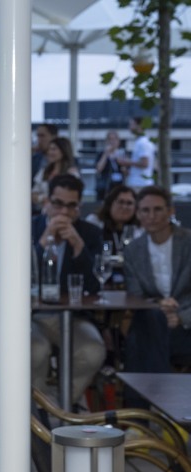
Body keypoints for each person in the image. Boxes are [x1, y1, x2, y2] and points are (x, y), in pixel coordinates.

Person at [30, 174, 105, 406]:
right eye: (58, 204)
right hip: (32, 315)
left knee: (93, 351)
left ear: (79, 207)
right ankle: (35, 410)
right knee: (35, 350)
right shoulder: (28, 227)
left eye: (71, 206)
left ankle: (57, 407)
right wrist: (44, 241)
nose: (64, 212)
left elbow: (94, 287)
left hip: (73, 316)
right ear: (47, 202)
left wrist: (78, 246)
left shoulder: (90, 233)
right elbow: (20, 275)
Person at [123, 186, 191, 374]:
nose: (151, 216)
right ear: (137, 214)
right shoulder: (133, 251)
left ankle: (144, 393)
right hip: (155, 319)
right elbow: (136, 295)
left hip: (187, 322)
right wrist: (161, 307)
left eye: (158, 209)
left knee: (141, 340)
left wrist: (180, 318)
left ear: (171, 211)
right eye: (145, 210)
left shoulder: (188, 242)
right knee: (149, 322)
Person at [32, 136, 80, 209]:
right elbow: (33, 194)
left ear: (63, 151)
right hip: (45, 212)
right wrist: (41, 198)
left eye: (53, 149)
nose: (49, 152)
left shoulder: (72, 173)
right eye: (49, 149)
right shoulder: (44, 171)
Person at [119, 116, 155, 188]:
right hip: (139, 183)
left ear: (139, 126)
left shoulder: (143, 142)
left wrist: (127, 162)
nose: (129, 127)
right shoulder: (141, 141)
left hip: (140, 184)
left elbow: (145, 163)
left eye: (131, 124)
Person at [94, 130, 126, 201]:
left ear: (118, 141)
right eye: (110, 139)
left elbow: (126, 171)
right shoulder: (102, 154)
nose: (112, 142)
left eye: (114, 139)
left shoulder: (122, 154)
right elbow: (99, 169)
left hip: (118, 185)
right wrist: (106, 154)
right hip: (106, 185)